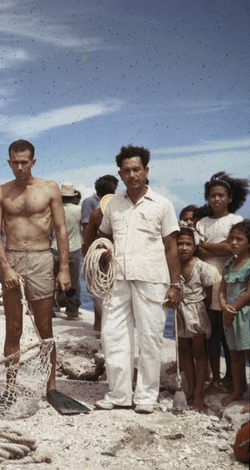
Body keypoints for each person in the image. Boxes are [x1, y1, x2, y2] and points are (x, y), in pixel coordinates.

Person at [95, 145, 181, 414]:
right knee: (113, 335)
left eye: (137, 169)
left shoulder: (163, 205)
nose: (132, 175)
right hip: (118, 278)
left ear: (146, 171)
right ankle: (119, 394)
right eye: (126, 171)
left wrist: (176, 285)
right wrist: (103, 252)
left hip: (152, 278)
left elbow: (171, 247)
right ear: (120, 174)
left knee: (150, 337)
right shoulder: (114, 206)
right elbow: (102, 236)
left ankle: (145, 397)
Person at [0, 139, 71, 396]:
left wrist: (65, 268)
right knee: (13, 327)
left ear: (33, 162)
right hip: (13, 258)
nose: (20, 167)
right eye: (15, 162)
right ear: (9, 162)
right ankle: (10, 387)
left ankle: (51, 386)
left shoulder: (49, 189)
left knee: (44, 326)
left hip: (40, 258)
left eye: (25, 162)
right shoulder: (2, 192)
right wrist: (5, 268)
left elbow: (60, 230)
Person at [196, 172, 248, 394]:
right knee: (212, 332)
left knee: (230, 332)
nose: (216, 199)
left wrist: (210, 247)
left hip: (229, 279)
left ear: (229, 198)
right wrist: (210, 247)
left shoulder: (235, 221)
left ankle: (231, 378)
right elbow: (198, 250)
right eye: (212, 196)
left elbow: (231, 249)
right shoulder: (202, 222)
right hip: (206, 280)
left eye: (221, 195)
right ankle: (215, 377)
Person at [175, 227, 214, 411]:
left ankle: (199, 391)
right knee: (184, 351)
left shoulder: (201, 267)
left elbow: (208, 293)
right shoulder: (172, 265)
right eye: (180, 243)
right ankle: (190, 387)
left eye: (188, 244)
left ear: (195, 246)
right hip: (180, 313)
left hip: (197, 313)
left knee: (199, 352)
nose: (183, 248)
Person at [219, 221, 250, 413]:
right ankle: (238, 390)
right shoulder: (230, 263)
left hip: (245, 315)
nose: (234, 243)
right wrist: (224, 307)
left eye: (239, 239)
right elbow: (222, 290)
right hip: (229, 315)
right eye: (231, 239)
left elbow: (248, 292)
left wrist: (233, 308)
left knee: (248, 353)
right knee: (234, 355)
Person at [81, 175, 119, 331]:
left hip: (99, 255)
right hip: (116, 257)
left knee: (98, 291)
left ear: (97, 194)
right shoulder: (121, 210)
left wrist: (90, 257)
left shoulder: (96, 214)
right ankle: (106, 327)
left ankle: (99, 325)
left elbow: (89, 240)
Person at [51, 182, 82, 320]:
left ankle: (53, 307)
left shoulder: (53, 210)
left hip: (55, 247)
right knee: (73, 281)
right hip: (73, 248)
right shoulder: (79, 210)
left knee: (52, 280)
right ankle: (72, 312)